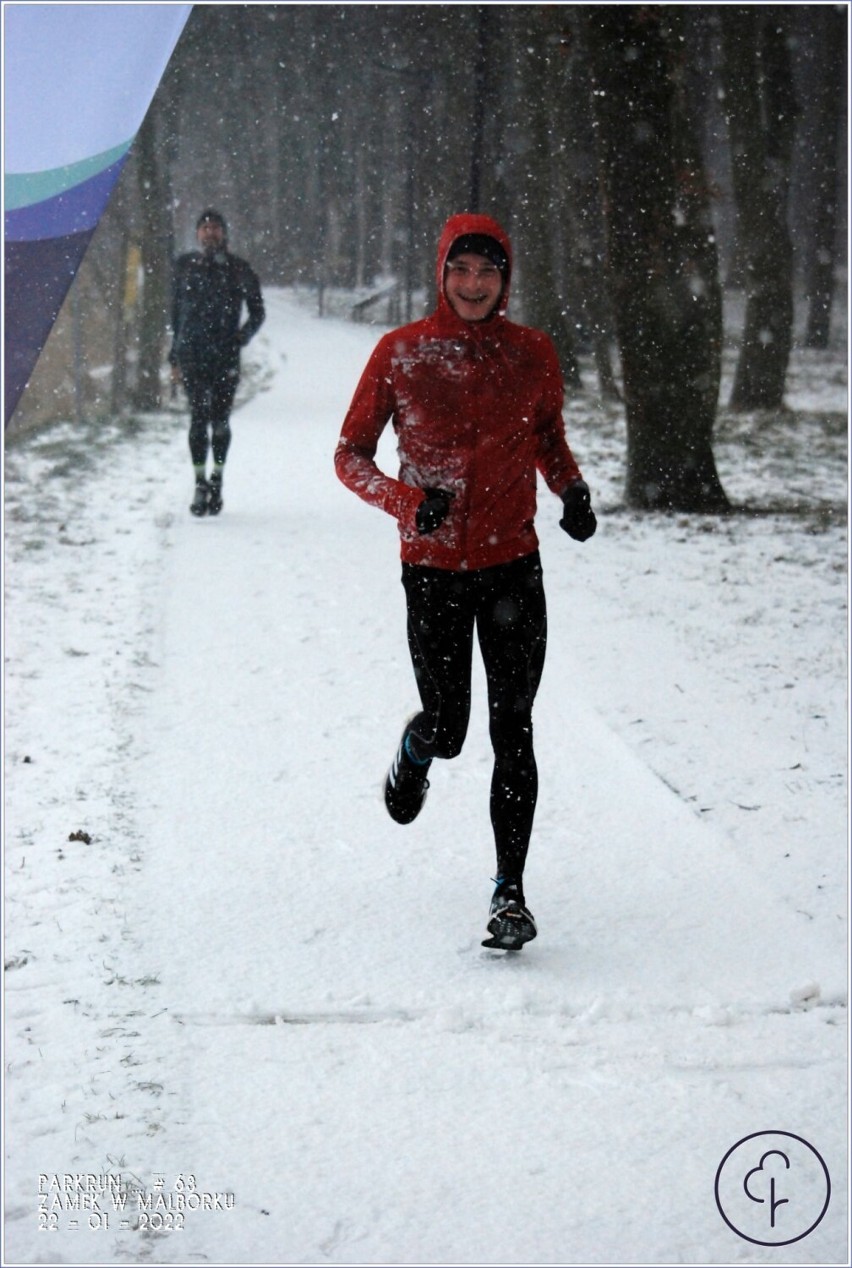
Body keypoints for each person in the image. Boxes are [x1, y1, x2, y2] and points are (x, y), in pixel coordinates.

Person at [334, 212, 597, 950]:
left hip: (514, 563)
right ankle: (416, 751)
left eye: (488, 271)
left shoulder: (532, 353)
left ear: (505, 278)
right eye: (462, 270)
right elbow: (350, 455)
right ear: (441, 273)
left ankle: (508, 892)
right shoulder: (401, 353)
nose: (475, 284)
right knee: (450, 729)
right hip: (434, 571)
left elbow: (547, 435)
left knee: (513, 729)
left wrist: (570, 489)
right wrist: (410, 503)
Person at [169, 209, 265, 516]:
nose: (210, 233)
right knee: (198, 419)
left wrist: (241, 338)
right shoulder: (184, 266)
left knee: (221, 422)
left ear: (224, 233)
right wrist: (174, 355)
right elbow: (175, 314)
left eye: (215, 228)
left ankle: (217, 479)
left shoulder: (238, 268)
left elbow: (258, 311)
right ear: (197, 233)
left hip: (225, 358)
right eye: (205, 228)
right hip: (192, 355)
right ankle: (199, 484)